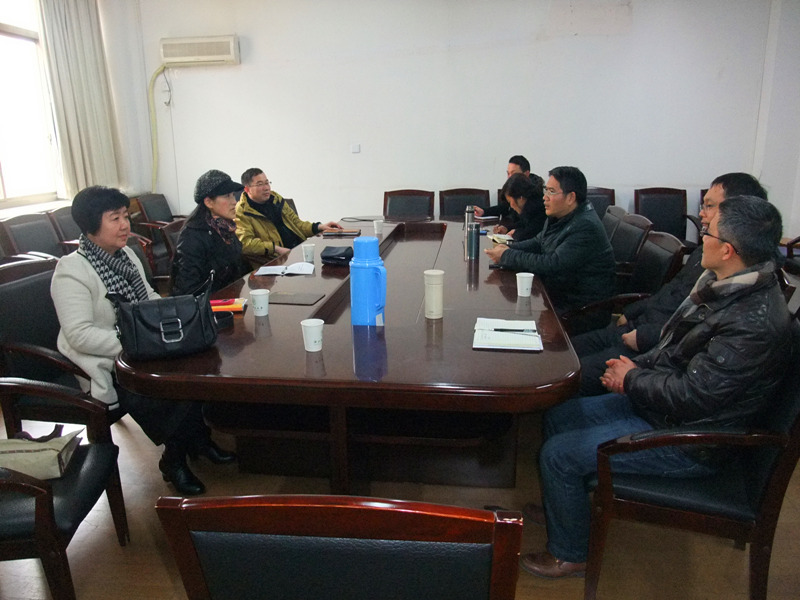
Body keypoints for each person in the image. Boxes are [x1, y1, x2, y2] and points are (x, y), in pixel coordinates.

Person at [520, 196, 792, 579]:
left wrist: (631, 379)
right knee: (561, 415)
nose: (702, 235)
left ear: (728, 250)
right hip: (665, 410)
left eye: (709, 232)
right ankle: (566, 506)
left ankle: (571, 553)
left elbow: (695, 397)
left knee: (558, 455)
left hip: (691, 440)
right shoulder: (728, 286)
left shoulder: (751, 322)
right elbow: (674, 350)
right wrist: (634, 369)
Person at [51, 186, 235, 496]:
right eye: (115, 218)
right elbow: (79, 335)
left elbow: (148, 298)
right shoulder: (71, 271)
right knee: (164, 390)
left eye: (126, 216)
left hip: (141, 347)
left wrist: (170, 326)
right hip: (103, 359)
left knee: (199, 366)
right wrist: (139, 344)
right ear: (90, 225)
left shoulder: (126, 256)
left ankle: (199, 441)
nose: (125, 225)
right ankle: (174, 459)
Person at [572, 173, 769, 396]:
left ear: (737, 215)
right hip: (642, 331)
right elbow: (670, 291)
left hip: (653, 351)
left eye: (710, 206)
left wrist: (640, 350)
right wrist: (631, 312)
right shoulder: (705, 254)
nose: (701, 214)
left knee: (570, 375)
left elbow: (691, 341)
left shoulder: (742, 299)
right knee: (566, 351)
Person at [484, 166, 616, 334]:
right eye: (545, 190)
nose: (544, 197)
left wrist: (508, 256)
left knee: (514, 323)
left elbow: (553, 264)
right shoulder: (558, 217)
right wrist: (508, 248)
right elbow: (538, 242)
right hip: (558, 296)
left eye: (551, 192)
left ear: (571, 197)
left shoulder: (585, 226)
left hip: (581, 310)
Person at [235, 168, 342, 266]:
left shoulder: (276, 199)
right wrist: (275, 248)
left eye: (267, 183)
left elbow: (296, 224)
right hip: (276, 262)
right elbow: (245, 244)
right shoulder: (241, 211)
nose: (266, 188)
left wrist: (318, 227)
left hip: (297, 252)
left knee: (337, 259)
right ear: (247, 189)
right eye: (260, 184)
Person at [172, 169, 252, 296]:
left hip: (231, 298)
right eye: (227, 196)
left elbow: (239, 268)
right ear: (208, 202)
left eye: (233, 195)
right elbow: (189, 289)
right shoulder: (192, 236)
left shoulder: (226, 229)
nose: (234, 201)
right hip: (208, 303)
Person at [475, 155, 547, 239]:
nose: (509, 177)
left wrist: (516, 233)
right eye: (508, 173)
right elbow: (506, 208)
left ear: (526, 174)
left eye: (513, 173)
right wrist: (508, 228)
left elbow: (533, 229)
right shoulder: (515, 191)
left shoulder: (537, 199)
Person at [496, 172, 546, 242]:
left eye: (510, 202)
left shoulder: (539, 209)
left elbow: (531, 233)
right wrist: (507, 228)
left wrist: (516, 233)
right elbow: (523, 223)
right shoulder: (530, 205)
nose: (511, 206)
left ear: (520, 198)